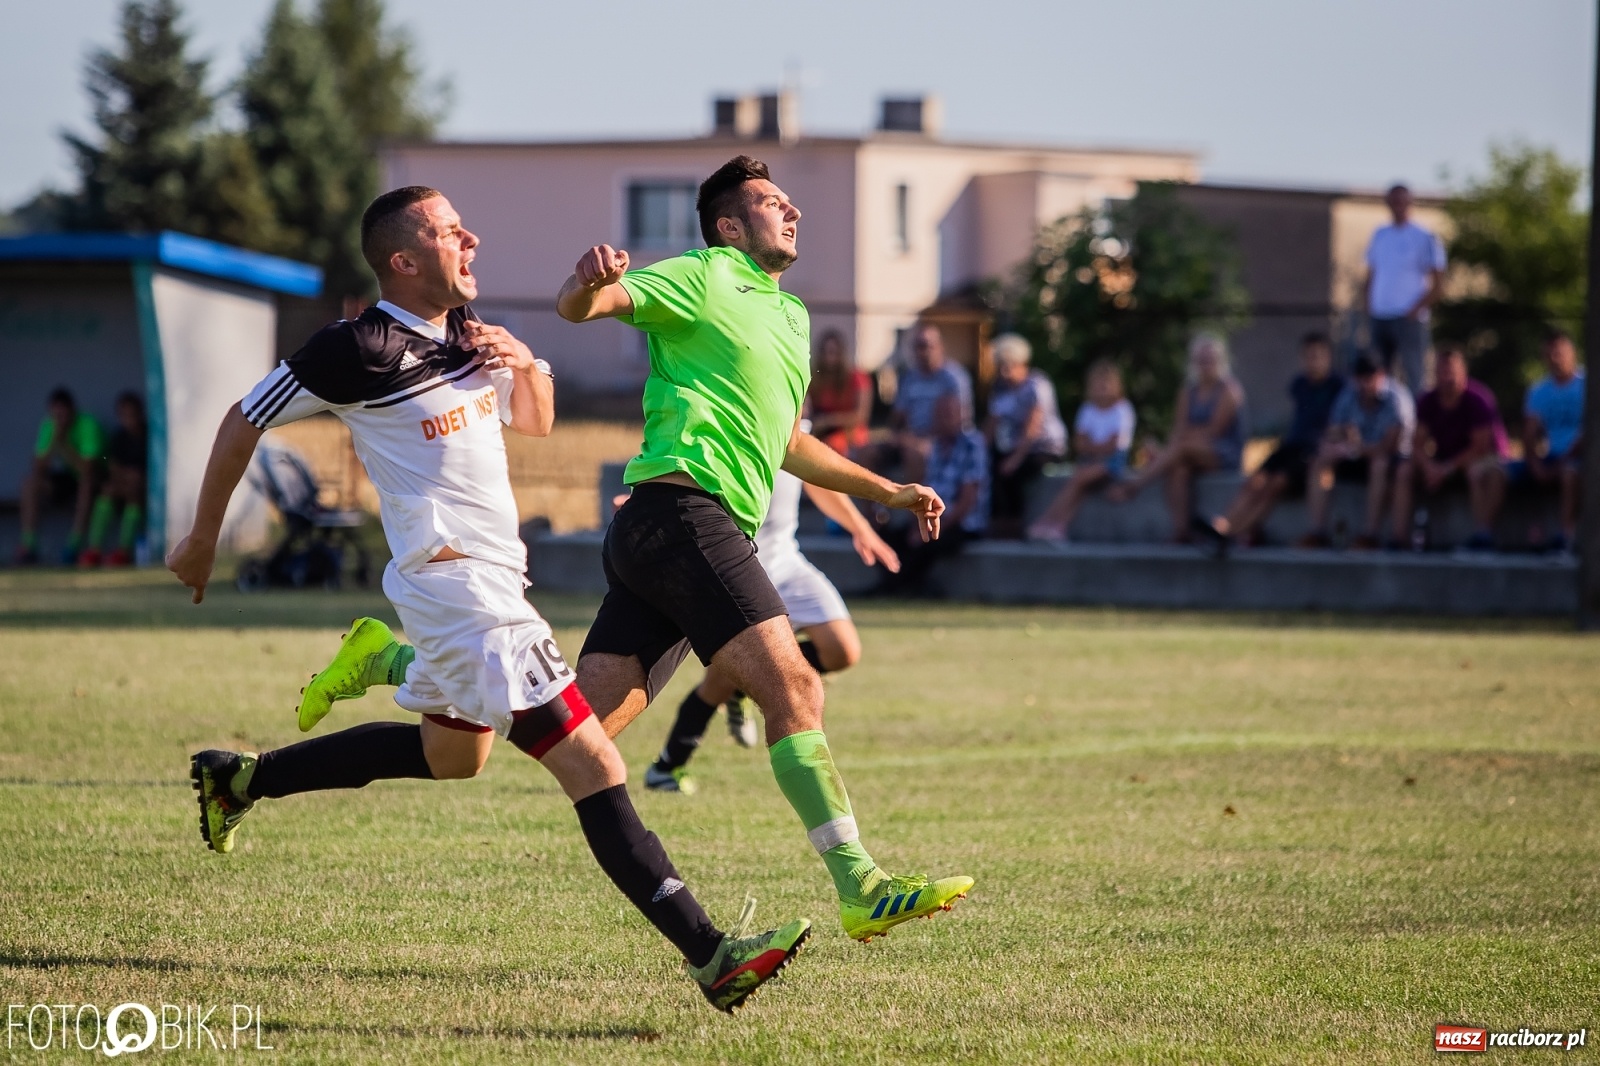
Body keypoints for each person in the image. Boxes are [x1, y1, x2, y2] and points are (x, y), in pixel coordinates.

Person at [166, 186, 809, 1014]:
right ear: (403, 260)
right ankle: (710, 952)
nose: (470, 236)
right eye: (445, 230)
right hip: (458, 585)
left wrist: (526, 362)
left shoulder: (470, 335)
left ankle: (240, 782)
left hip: (492, 580)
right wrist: (201, 537)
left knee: (453, 756)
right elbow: (242, 418)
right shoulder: (354, 347)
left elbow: (534, 422)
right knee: (593, 761)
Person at [554, 155, 973, 944]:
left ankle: (394, 673)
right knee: (796, 686)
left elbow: (788, 443)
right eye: (770, 202)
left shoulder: (792, 318)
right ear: (728, 225)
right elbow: (584, 308)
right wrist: (587, 281)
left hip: (669, 529)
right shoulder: (705, 274)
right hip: (685, 512)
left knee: (579, 728)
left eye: (789, 201)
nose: (793, 211)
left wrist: (886, 493)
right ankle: (862, 884)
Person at [644, 427, 901, 794]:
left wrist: (861, 528)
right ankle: (666, 768)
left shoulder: (794, 426)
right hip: (737, 567)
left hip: (786, 562)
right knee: (723, 678)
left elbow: (818, 480)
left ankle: (747, 684)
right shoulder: (726, 423)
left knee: (843, 649)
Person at [1198, 331, 1343, 550]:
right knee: (1255, 481)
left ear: (1328, 358)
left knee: (1274, 485)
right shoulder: (1300, 384)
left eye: (1317, 356)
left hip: (1312, 452)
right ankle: (1223, 524)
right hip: (1291, 447)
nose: (1312, 362)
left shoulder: (1338, 387)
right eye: (1308, 356)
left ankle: (1235, 532)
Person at [1109, 333, 1246, 543]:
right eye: (1201, 360)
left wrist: (1175, 446)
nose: (1205, 365)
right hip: (1189, 453)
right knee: (1178, 468)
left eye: (1210, 360)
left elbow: (1212, 432)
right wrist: (1172, 448)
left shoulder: (1229, 391)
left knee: (1180, 450)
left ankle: (1134, 485)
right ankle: (1182, 531)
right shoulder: (1188, 391)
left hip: (1222, 453)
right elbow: (1179, 429)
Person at [1390, 345, 1507, 551]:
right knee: (1404, 470)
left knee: (1477, 472)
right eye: (1442, 372)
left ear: (1464, 373)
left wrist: (1445, 469)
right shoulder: (1428, 400)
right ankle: (1399, 537)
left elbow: (1480, 447)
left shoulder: (1478, 399)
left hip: (1484, 457)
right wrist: (1429, 467)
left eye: (1452, 372)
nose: (1447, 378)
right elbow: (1417, 443)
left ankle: (1483, 536)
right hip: (1445, 458)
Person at [875, 393, 987, 596]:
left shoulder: (973, 445)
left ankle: (898, 588)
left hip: (961, 523)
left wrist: (937, 527)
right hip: (933, 517)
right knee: (888, 536)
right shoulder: (936, 446)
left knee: (927, 543)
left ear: (961, 415)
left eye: (949, 414)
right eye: (940, 414)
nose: (944, 419)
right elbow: (926, 484)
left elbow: (968, 500)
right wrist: (916, 524)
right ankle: (898, 586)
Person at [1298, 355, 1415, 549]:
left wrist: (1357, 447)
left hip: (1391, 459)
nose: (1364, 384)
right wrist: (1341, 437)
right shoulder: (1349, 393)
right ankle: (1317, 531)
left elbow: (1389, 447)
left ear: (1381, 375)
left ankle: (1370, 534)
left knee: (1380, 465)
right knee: (1321, 460)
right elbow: (1333, 429)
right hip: (1357, 455)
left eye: (1369, 377)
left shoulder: (1396, 399)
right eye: (1361, 378)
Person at [1026, 360, 1135, 543]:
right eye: (1098, 383)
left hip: (1112, 463)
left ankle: (1047, 521)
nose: (1102, 387)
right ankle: (1058, 526)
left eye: (1106, 383)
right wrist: (1095, 448)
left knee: (1077, 480)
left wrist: (1093, 447)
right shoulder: (1088, 409)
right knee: (1080, 487)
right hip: (1091, 461)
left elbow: (1113, 446)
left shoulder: (1122, 409)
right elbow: (1079, 443)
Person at [984, 333, 1066, 539]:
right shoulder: (1000, 390)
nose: (1005, 370)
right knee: (990, 465)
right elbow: (991, 425)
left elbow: (1033, 428)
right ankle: (995, 520)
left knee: (1014, 470)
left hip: (1043, 448)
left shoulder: (1036, 385)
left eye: (1009, 364)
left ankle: (1014, 523)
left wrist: (1014, 459)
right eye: (1001, 365)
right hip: (1013, 446)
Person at [1365, 184, 1446, 393]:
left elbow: (1438, 283)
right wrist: (1368, 305)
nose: (1397, 205)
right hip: (1381, 315)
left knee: (1414, 375)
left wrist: (1415, 309)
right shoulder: (1380, 234)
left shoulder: (1424, 236)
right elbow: (1371, 274)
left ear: (1410, 203)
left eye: (1402, 201)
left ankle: (1417, 422)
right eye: (1393, 201)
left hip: (1409, 318)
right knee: (1379, 377)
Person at [1510, 328, 1585, 551]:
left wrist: (1561, 463)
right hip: (1551, 456)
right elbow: (1529, 433)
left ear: (1573, 353)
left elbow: (1589, 433)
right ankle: (1488, 538)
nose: (1555, 359)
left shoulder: (1588, 385)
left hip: (1580, 458)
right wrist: (1535, 466)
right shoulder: (1539, 391)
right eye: (1550, 354)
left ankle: (1566, 536)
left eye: (1560, 353)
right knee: (1498, 473)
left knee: (1570, 473)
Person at [873, 321, 973, 482]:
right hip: (910, 439)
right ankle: (874, 507)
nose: (923, 351)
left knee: (913, 453)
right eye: (918, 346)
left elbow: (957, 422)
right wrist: (895, 436)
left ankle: (917, 506)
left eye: (928, 345)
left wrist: (916, 439)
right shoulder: (909, 377)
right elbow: (899, 415)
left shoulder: (953, 377)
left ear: (941, 347)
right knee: (867, 453)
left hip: (946, 441)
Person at [16, 387, 105, 566]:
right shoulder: (50, 425)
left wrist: (64, 443)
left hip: (95, 479)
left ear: (72, 410)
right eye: (56, 415)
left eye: (63, 414)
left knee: (86, 484)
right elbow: (38, 468)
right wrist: (53, 440)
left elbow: (86, 469)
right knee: (30, 484)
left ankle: (74, 546)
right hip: (67, 478)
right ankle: (29, 545)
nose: (60, 419)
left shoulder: (88, 424)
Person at [79, 391, 147, 568]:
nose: (129, 420)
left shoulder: (150, 435)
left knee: (134, 493)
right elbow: (112, 467)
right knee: (107, 490)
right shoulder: (119, 438)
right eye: (124, 415)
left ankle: (123, 551)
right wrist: (126, 476)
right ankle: (94, 549)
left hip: (144, 490)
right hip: (124, 486)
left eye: (132, 415)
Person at [807, 330, 872, 456]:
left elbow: (860, 416)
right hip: (822, 432)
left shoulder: (857, 377)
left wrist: (827, 421)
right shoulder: (816, 379)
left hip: (850, 432)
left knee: (831, 446)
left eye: (832, 352)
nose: (828, 357)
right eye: (824, 352)